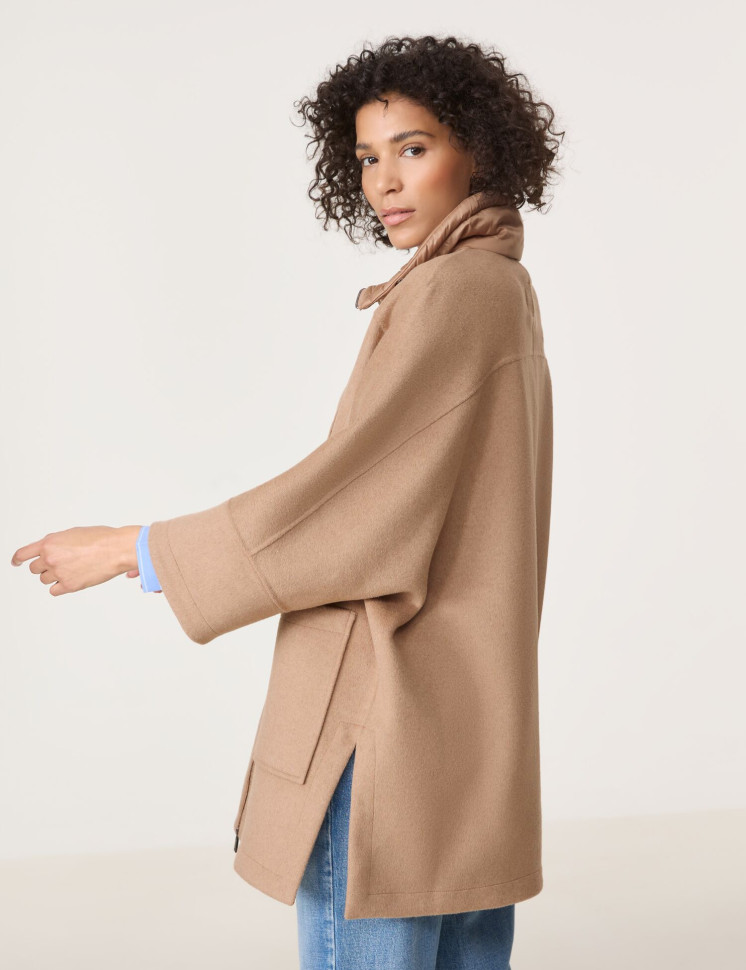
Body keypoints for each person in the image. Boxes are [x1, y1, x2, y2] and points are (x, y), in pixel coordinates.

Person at [11, 34, 563, 970]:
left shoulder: (453, 290)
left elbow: (352, 505)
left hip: (382, 729)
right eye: (368, 158)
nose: (386, 181)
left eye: (414, 148)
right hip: (462, 740)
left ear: (477, 148)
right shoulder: (500, 286)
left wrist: (134, 548)